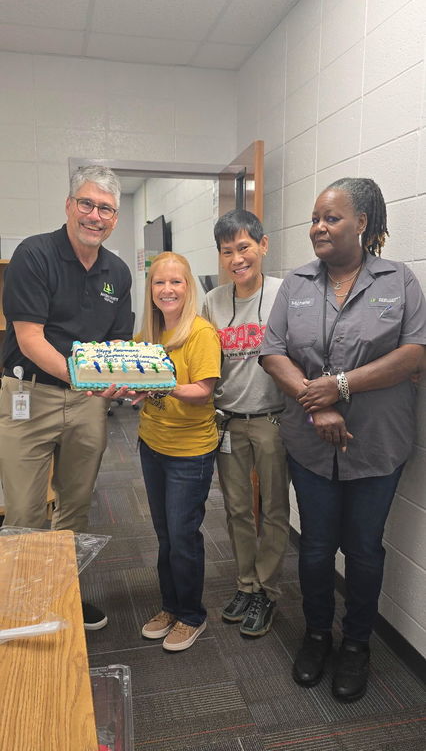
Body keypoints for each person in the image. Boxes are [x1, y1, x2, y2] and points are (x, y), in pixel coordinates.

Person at [260, 178, 426, 701]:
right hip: (310, 444)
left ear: (363, 223)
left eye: (331, 218)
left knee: (363, 549)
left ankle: (356, 644)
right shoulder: (297, 282)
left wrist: (344, 384)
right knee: (313, 548)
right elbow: (273, 351)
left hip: (377, 444)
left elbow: (414, 353)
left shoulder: (399, 281)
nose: (318, 227)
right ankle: (315, 635)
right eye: (315, 218)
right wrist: (321, 402)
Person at [0, 165, 133, 630]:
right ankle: (21, 604)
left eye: (106, 209)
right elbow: (31, 338)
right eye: (87, 203)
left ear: (114, 218)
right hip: (29, 396)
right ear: (69, 205)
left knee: (76, 503)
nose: (95, 215)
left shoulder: (117, 271)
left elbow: (117, 343)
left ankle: (62, 593)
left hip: (87, 404)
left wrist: (121, 374)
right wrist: (89, 379)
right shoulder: (33, 254)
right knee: (24, 509)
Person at [202, 210, 289, 637]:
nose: (237, 258)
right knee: (237, 508)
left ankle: (267, 591)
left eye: (244, 248)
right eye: (227, 251)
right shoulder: (213, 301)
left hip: (272, 419)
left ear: (263, 245)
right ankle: (245, 583)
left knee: (273, 508)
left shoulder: (285, 293)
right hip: (228, 422)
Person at [134, 252, 221, 652]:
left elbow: (203, 393)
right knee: (164, 534)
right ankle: (170, 606)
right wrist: (131, 389)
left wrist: (161, 383)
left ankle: (192, 616)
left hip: (190, 453)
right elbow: (137, 384)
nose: (167, 290)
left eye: (176, 282)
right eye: (159, 283)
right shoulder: (147, 336)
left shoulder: (201, 333)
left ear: (189, 287)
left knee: (184, 536)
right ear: (150, 289)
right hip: (151, 445)